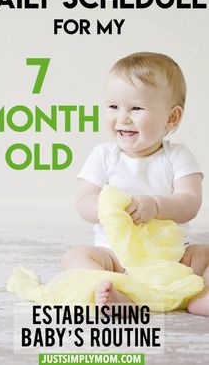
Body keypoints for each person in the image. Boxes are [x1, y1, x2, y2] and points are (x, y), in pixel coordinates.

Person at [61, 52, 209, 316]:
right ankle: (117, 291)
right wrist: (109, 211)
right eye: (113, 106)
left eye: (136, 108)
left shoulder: (178, 156)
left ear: (171, 118)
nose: (123, 118)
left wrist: (155, 205)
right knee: (74, 257)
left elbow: (190, 203)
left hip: (173, 257)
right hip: (116, 257)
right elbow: (84, 201)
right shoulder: (103, 156)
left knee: (206, 254)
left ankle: (202, 296)